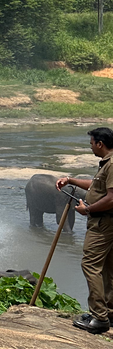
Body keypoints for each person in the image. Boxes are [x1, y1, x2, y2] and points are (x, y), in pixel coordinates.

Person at [57, 127, 113, 333]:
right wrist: (70, 180)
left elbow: (111, 198)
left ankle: (99, 318)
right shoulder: (108, 164)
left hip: (103, 224)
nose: (90, 147)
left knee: (90, 265)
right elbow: (95, 186)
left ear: (100, 143)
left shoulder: (112, 163)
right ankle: (109, 312)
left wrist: (87, 209)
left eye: (91, 143)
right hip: (107, 222)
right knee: (108, 267)